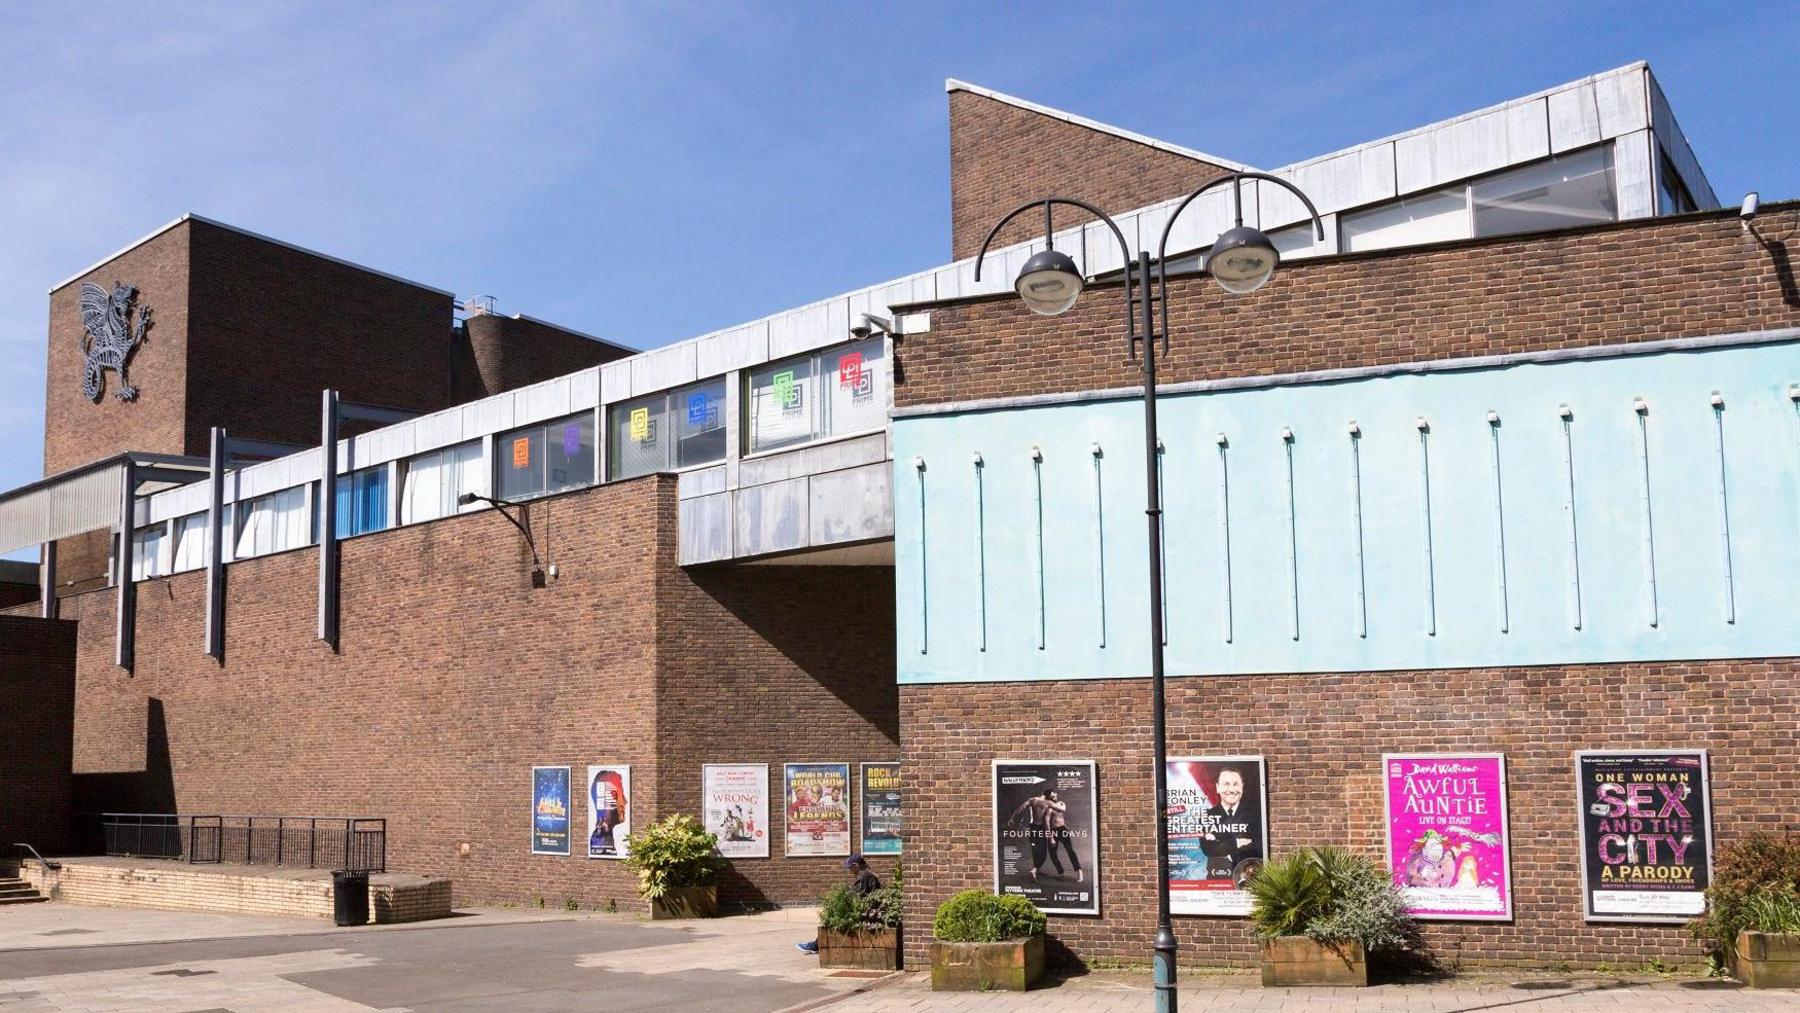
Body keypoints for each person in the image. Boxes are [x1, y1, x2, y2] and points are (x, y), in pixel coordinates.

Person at [798, 855, 883, 954]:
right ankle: (817, 944)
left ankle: (816, 945)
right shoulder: (865, 874)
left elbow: (856, 896)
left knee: (833, 918)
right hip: (867, 910)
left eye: (850, 867)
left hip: (866, 913)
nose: (849, 870)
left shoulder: (864, 876)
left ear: (856, 866)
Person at [1199, 767, 1261, 879]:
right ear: (1217, 787)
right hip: (1218, 879)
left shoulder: (1256, 814)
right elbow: (1209, 849)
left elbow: (1259, 845)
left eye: (1236, 784)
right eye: (1226, 784)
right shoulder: (1206, 815)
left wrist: (1220, 843)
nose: (1232, 790)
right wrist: (1238, 842)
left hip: (1249, 876)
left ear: (1242, 786)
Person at [1008, 789, 1058, 882]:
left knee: (1035, 850)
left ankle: (1036, 870)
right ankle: (1034, 870)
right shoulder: (1049, 803)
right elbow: (1047, 823)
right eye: (1052, 795)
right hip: (1041, 828)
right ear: (1048, 795)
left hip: (1032, 828)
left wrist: (1012, 819)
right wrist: (1050, 837)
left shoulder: (1032, 800)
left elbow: (1020, 808)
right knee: (1043, 854)